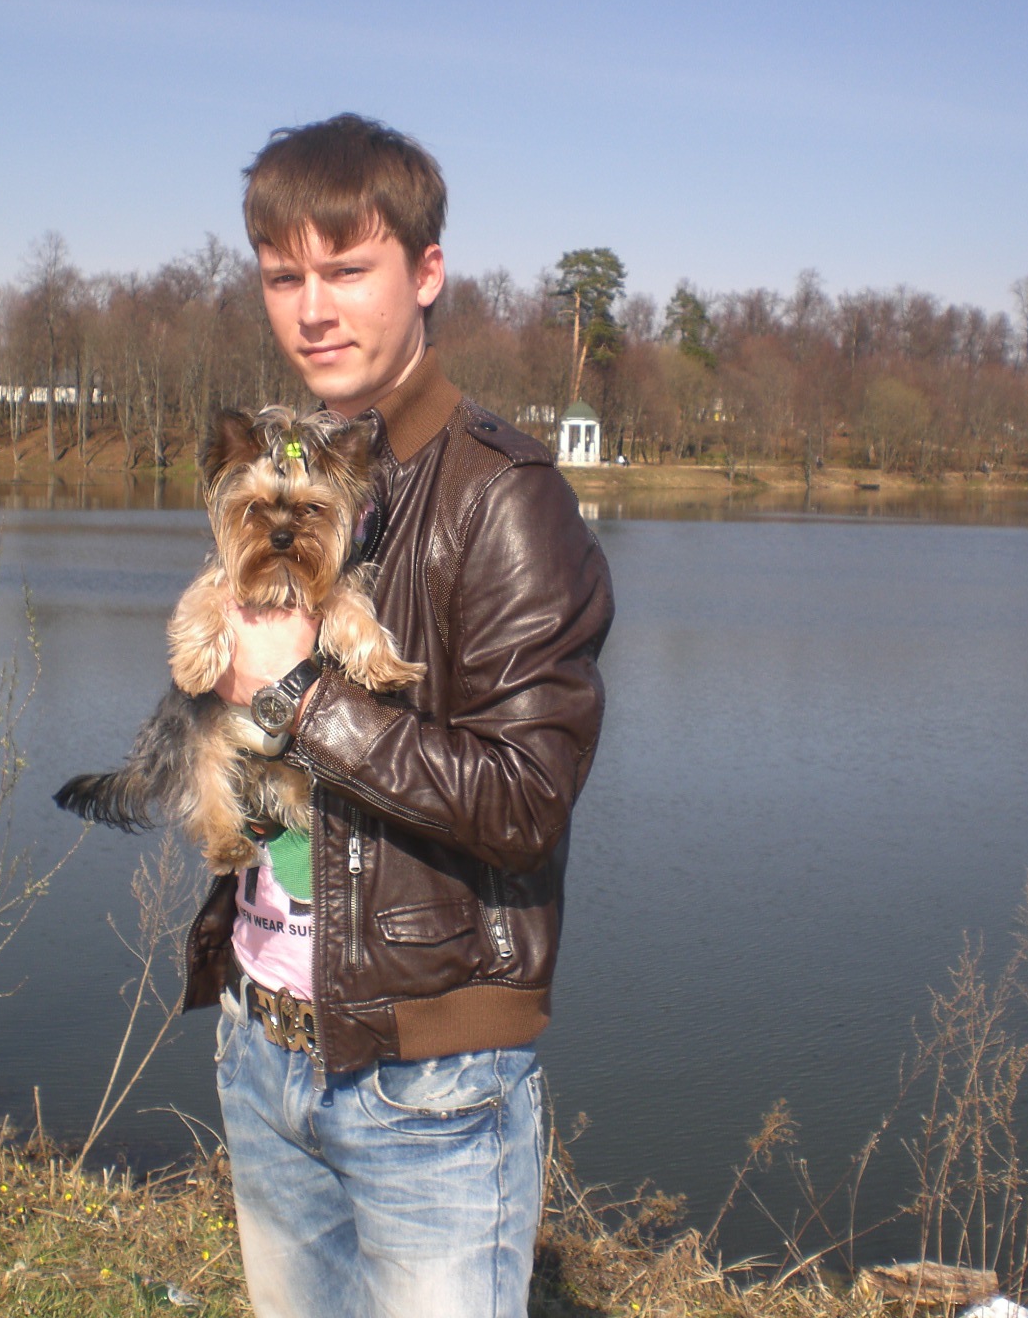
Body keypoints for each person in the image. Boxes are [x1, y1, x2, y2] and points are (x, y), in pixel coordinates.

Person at [181, 113, 614, 1318]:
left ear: (427, 273)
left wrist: (300, 694)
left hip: (428, 1082)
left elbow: (526, 802)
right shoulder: (292, 470)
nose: (313, 310)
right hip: (263, 1040)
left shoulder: (505, 499)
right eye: (284, 277)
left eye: (347, 269)